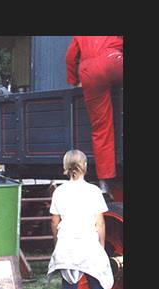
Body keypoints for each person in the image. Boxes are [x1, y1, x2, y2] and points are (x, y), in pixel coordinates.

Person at [47, 150, 116, 289]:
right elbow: (100, 223)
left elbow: (54, 221)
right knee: (97, 287)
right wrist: (101, 247)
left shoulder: (59, 191)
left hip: (67, 243)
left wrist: (56, 241)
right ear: (85, 165)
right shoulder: (93, 191)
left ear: (66, 166)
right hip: (88, 243)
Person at [65, 36, 123, 197]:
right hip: (113, 59)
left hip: (89, 70)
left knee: (101, 128)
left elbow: (70, 56)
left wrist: (73, 80)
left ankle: (104, 183)